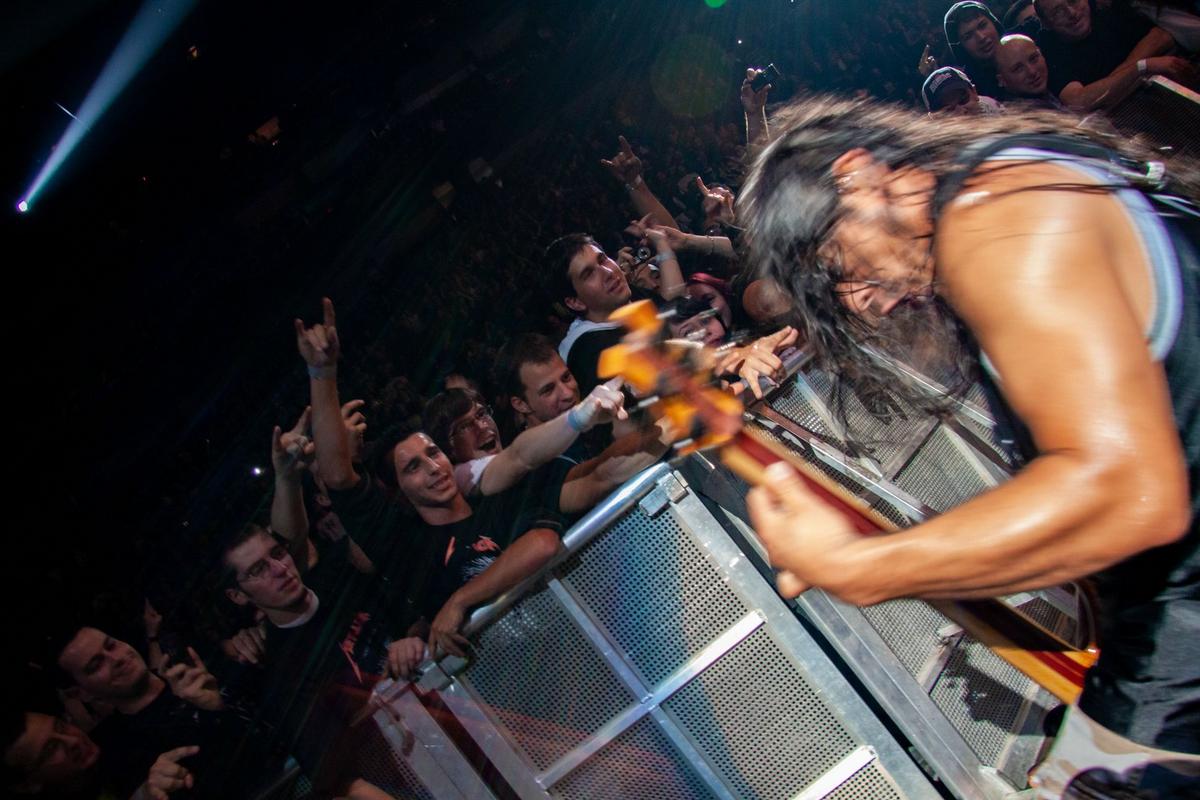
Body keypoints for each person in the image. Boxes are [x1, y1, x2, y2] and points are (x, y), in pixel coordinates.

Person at [738, 95, 1198, 794]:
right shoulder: (1006, 187)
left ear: (858, 176)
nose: (857, 299)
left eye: (837, 265)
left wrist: (863, 567)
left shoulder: (993, 223)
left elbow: (1127, 492)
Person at [3, 707, 199, 799]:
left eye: (61, 727)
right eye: (51, 749)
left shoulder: (115, 735)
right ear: (27, 785)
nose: (73, 741)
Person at [1035, 0, 1193, 110]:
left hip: (1167, 93)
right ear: (1045, 23)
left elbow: (1162, 37)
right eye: (1058, 11)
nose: (1072, 13)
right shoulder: (1049, 50)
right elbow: (1078, 101)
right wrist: (1142, 66)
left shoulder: (1105, 11)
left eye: (1074, 1)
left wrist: (1117, 81)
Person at [943, 1, 1005, 100]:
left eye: (982, 26)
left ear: (994, 23)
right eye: (968, 36)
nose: (981, 37)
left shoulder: (1025, 42)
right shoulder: (967, 90)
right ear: (960, 48)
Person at [994, 34, 1064, 109]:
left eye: (1033, 59)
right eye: (1018, 68)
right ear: (1002, 80)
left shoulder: (1055, 90)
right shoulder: (1015, 114)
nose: (1032, 72)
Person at [921, 66, 1004, 115]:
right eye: (949, 111)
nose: (961, 112)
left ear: (974, 92)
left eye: (963, 100)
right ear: (933, 119)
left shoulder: (999, 114)